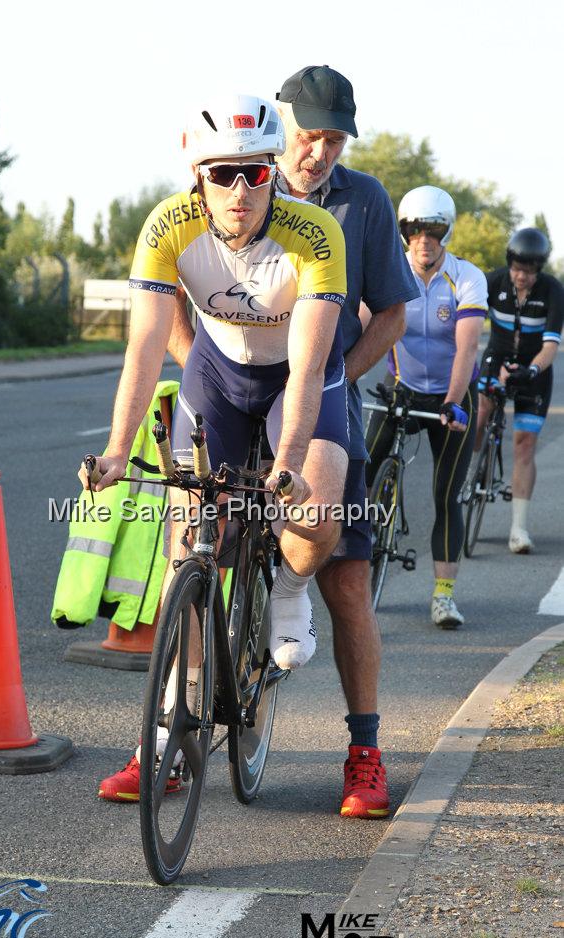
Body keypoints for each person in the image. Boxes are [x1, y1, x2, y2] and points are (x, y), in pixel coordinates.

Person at [147, 66, 419, 819]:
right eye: (309, 136)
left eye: (334, 140)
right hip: (233, 388)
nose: (320, 152)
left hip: (320, 396)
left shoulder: (360, 201)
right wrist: (203, 367)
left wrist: (338, 373)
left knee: (344, 577)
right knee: (190, 553)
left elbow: (391, 313)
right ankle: (166, 740)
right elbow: (167, 292)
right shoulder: (231, 181)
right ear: (279, 129)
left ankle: (363, 753)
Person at [90, 93, 350, 802]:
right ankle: (163, 739)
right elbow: (143, 347)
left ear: (274, 173)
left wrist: (288, 462)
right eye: (223, 174)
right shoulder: (166, 225)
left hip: (299, 379)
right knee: (188, 550)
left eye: (256, 174)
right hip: (217, 373)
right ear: (197, 179)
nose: (239, 190)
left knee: (315, 509)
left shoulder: (314, 231)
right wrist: (117, 450)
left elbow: (305, 368)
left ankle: (291, 595)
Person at [366, 185, 488, 629]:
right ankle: (354, 567)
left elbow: (466, 349)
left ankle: (443, 596)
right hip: (401, 389)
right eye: (414, 230)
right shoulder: (389, 272)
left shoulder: (467, 278)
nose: (424, 239)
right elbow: (361, 328)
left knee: (446, 494)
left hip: (451, 400)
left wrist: (454, 403)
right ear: (403, 233)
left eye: (433, 230)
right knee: (359, 474)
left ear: (447, 233)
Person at [475, 227, 564, 553]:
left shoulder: (553, 291)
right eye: (516, 269)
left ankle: (518, 529)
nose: (520, 276)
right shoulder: (494, 281)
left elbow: (551, 346)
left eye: (527, 271)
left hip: (534, 367)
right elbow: (466, 320)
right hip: (495, 357)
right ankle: (471, 473)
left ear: (538, 269)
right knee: (481, 412)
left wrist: (531, 370)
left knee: (524, 443)